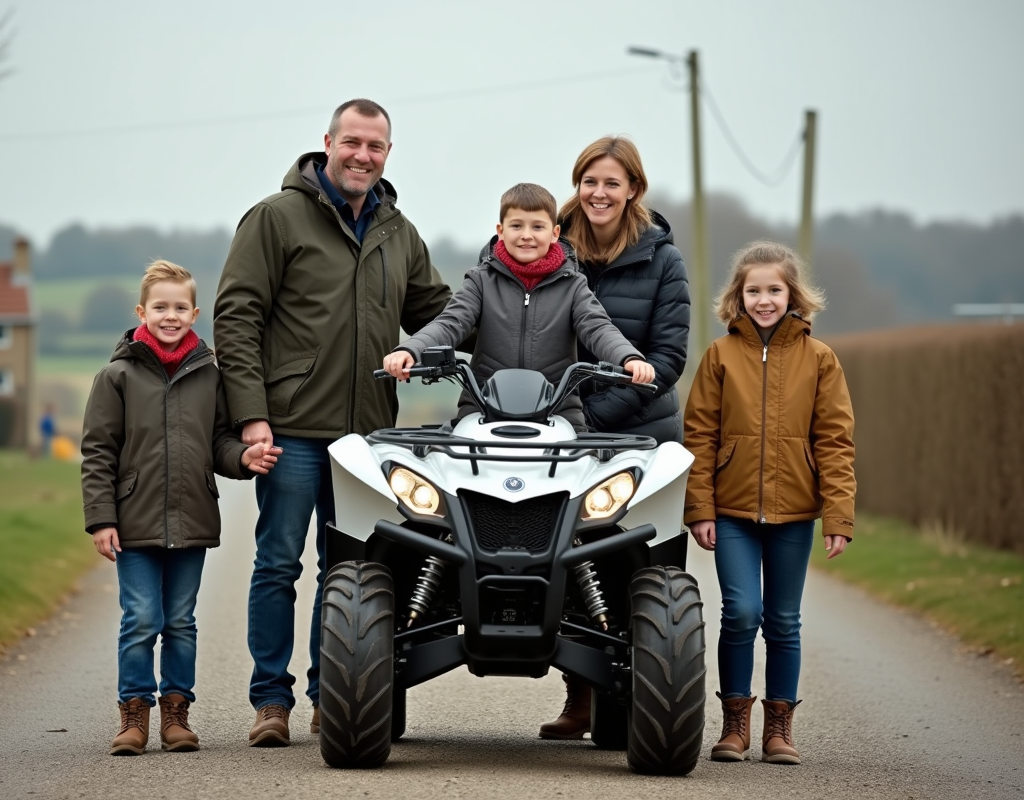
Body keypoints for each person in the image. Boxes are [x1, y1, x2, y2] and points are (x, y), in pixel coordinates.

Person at [212, 98, 454, 747]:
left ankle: (333, 697)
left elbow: (441, 314)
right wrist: (251, 416)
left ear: (388, 154)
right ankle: (270, 700)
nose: (362, 156)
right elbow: (236, 317)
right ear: (327, 143)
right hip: (289, 429)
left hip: (366, 439)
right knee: (277, 565)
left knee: (348, 571)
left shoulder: (399, 233)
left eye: (375, 146)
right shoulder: (274, 217)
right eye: (352, 142)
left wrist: (521, 317)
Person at [82, 260, 281, 756]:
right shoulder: (117, 376)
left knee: (180, 621)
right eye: (159, 307)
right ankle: (134, 713)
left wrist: (242, 458)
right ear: (141, 312)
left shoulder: (209, 375)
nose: (169, 316)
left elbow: (219, 442)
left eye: (179, 307)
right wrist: (102, 519)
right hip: (134, 523)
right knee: (140, 618)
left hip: (192, 519)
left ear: (194, 314)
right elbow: (98, 452)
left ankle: (176, 713)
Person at [539, 135, 691, 739]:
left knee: (631, 562)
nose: (598, 193)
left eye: (611, 183)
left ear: (633, 190)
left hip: (637, 432)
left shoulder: (663, 260)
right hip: (553, 430)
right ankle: (580, 696)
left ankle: (632, 699)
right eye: (589, 182)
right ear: (577, 185)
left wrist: (593, 417)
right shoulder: (547, 243)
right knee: (558, 553)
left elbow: (668, 358)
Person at [684, 241, 856, 765]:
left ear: (791, 294)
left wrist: (838, 514)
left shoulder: (820, 358)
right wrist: (701, 508)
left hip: (794, 515)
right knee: (740, 612)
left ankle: (779, 729)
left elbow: (835, 441)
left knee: (783, 620)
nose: (763, 300)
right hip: (732, 513)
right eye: (753, 290)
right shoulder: (719, 355)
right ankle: (734, 724)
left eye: (774, 290)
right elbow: (699, 436)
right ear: (738, 296)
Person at [383, 183, 655, 418]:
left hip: (558, 410)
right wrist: (410, 350)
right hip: (482, 407)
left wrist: (628, 358)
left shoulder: (573, 285)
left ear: (555, 233)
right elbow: (450, 323)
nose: (527, 235)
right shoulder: (480, 280)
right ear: (500, 230)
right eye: (516, 225)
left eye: (537, 226)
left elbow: (598, 327)